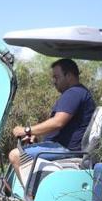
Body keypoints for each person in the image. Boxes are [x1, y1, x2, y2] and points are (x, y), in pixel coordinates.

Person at [8, 58, 96, 193]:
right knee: (23, 151)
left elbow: (57, 122)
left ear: (69, 75)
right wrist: (35, 137)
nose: (54, 81)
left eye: (57, 77)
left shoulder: (74, 93)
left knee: (15, 155)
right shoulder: (80, 93)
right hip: (61, 147)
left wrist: (27, 130)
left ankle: (31, 199)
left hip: (66, 150)